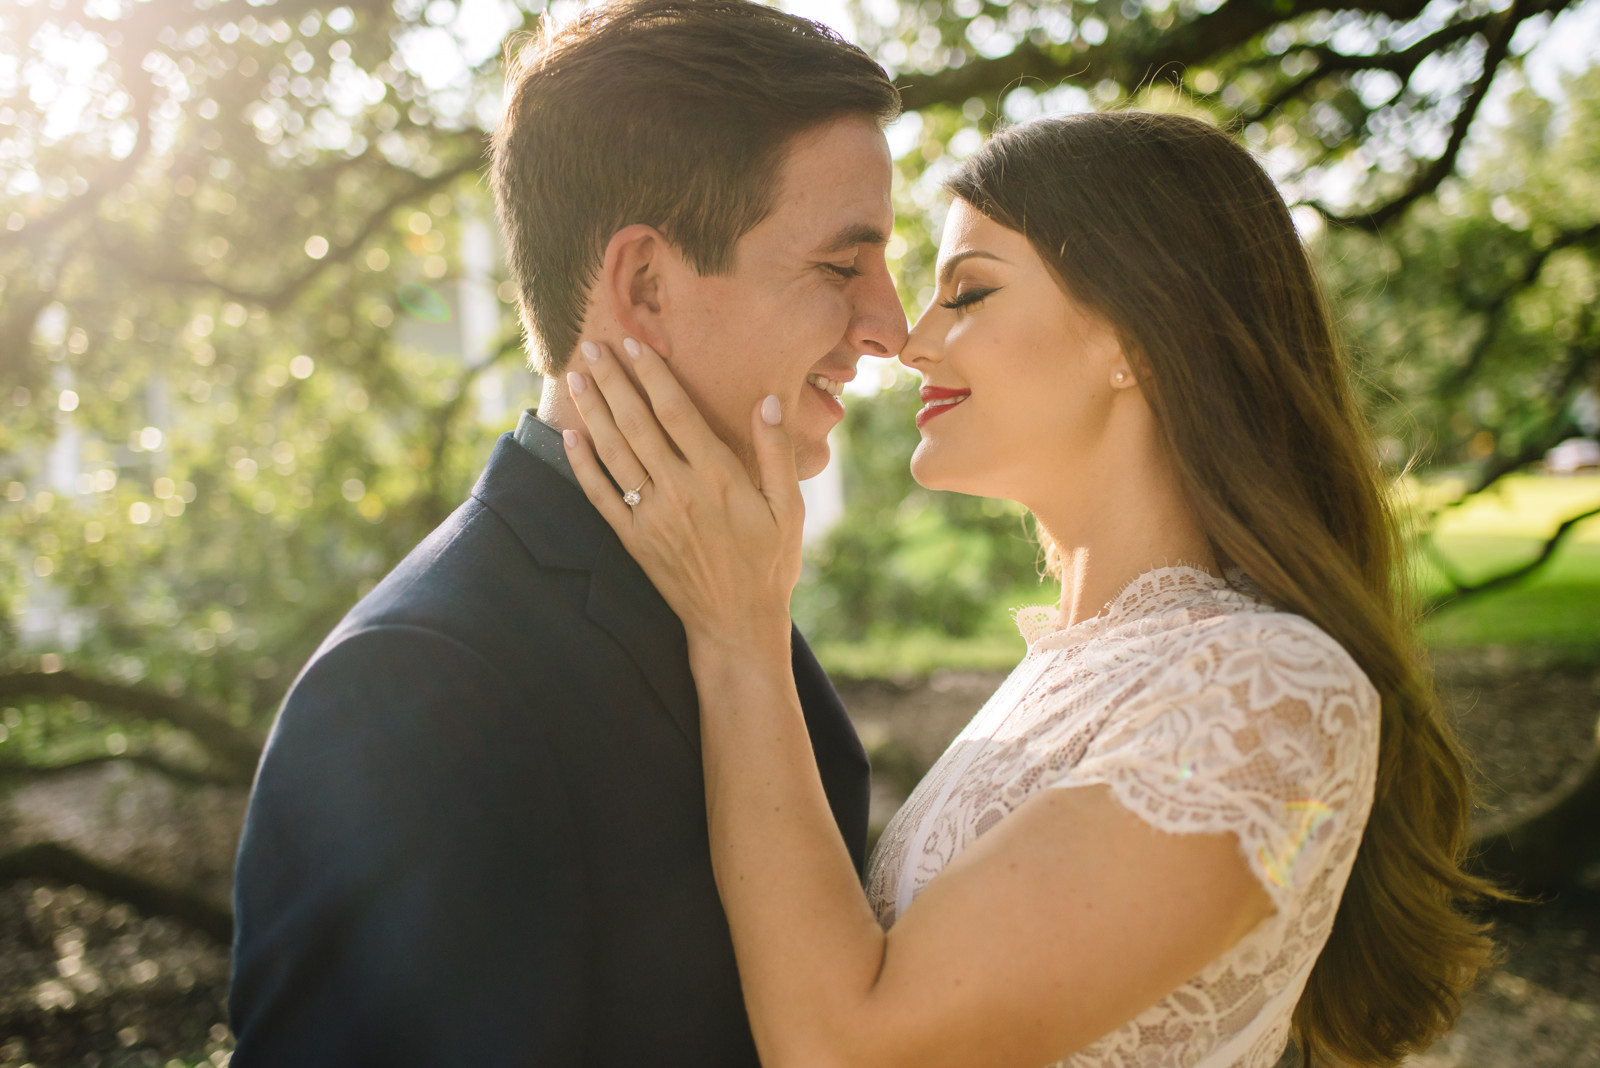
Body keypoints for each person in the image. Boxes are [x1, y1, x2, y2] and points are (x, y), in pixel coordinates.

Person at [561, 111, 1499, 1067]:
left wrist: (739, 630)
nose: (910, 342)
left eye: (967, 293)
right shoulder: (1076, 665)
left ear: (1141, 335)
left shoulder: (1272, 688)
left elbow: (852, 1049)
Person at [227, 1, 906, 1062]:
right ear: (642, 285)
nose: (891, 327)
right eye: (839, 266)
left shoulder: (725, 591)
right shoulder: (417, 683)